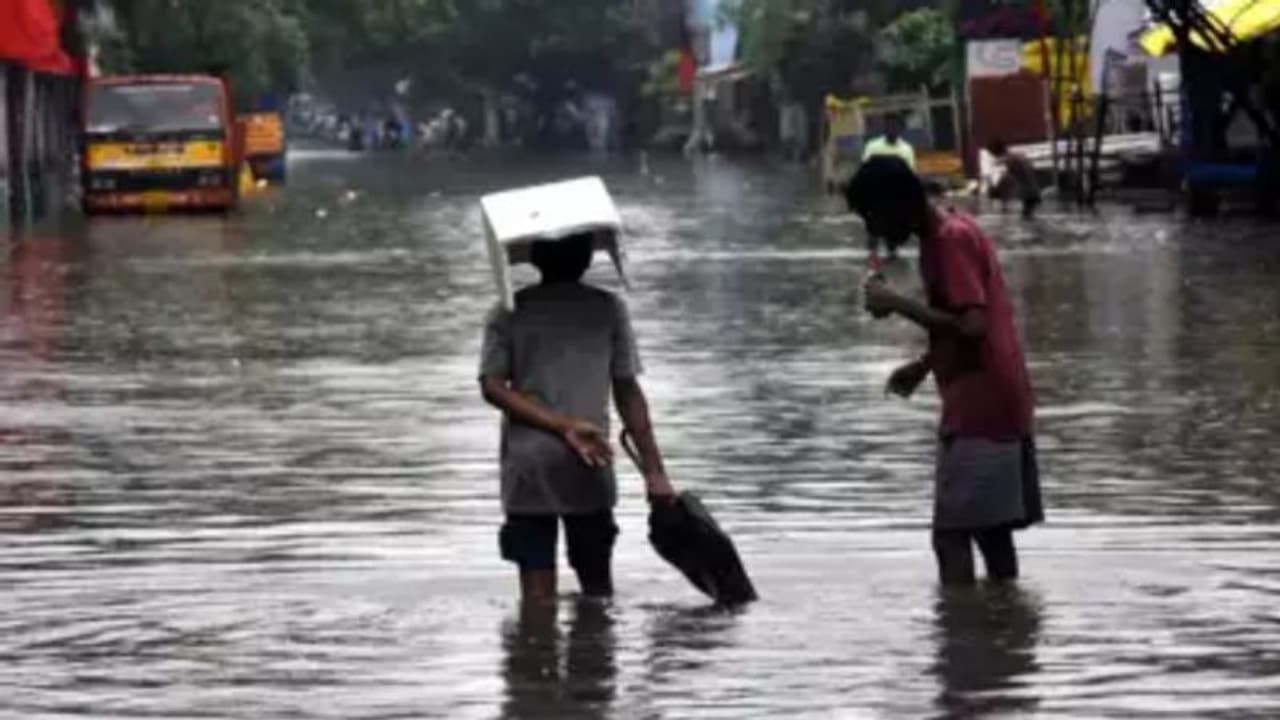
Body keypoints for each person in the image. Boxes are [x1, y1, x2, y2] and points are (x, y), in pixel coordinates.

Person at [845, 156, 1043, 586]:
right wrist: (924, 365)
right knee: (992, 533)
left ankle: (963, 642)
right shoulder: (948, 233)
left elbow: (972, 326)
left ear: (897, 204)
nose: (873, 231)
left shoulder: (949, 240)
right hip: (996, 396)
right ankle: (1004, 633)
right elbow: (967, 321)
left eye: (872, 217)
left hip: (981, 406)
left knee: (950, 536)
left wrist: (899, 304)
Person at [479, 233, 675, 603]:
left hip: (528, 469)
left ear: (534, 258)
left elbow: (492, 387)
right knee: (598, 594)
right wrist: (655, 473)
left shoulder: (508, 310)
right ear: (588, 258)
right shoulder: (606, 308)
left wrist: (558, 426)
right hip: (589, 458)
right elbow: (627, 391)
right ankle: (594, 654)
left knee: (536, 600)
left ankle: (535, 651)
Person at [861, 114, 917, 261]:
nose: (891, 129)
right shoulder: (873, 146)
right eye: (888, 126)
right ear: (884, 128)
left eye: (894, 126)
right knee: (874, 233)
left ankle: (892, 256)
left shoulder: (906, 149)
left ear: (900, 129)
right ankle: (872, 262)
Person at [987, 139, 1041, 219]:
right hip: (1032, 191)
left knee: (1026, 216)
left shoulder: (1009, 159)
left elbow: (1007, 178)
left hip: (1029, 193)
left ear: (995, 152)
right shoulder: (1017, 156)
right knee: (1027, 216)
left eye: (992, 153)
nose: (992, 156)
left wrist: (998, 191)